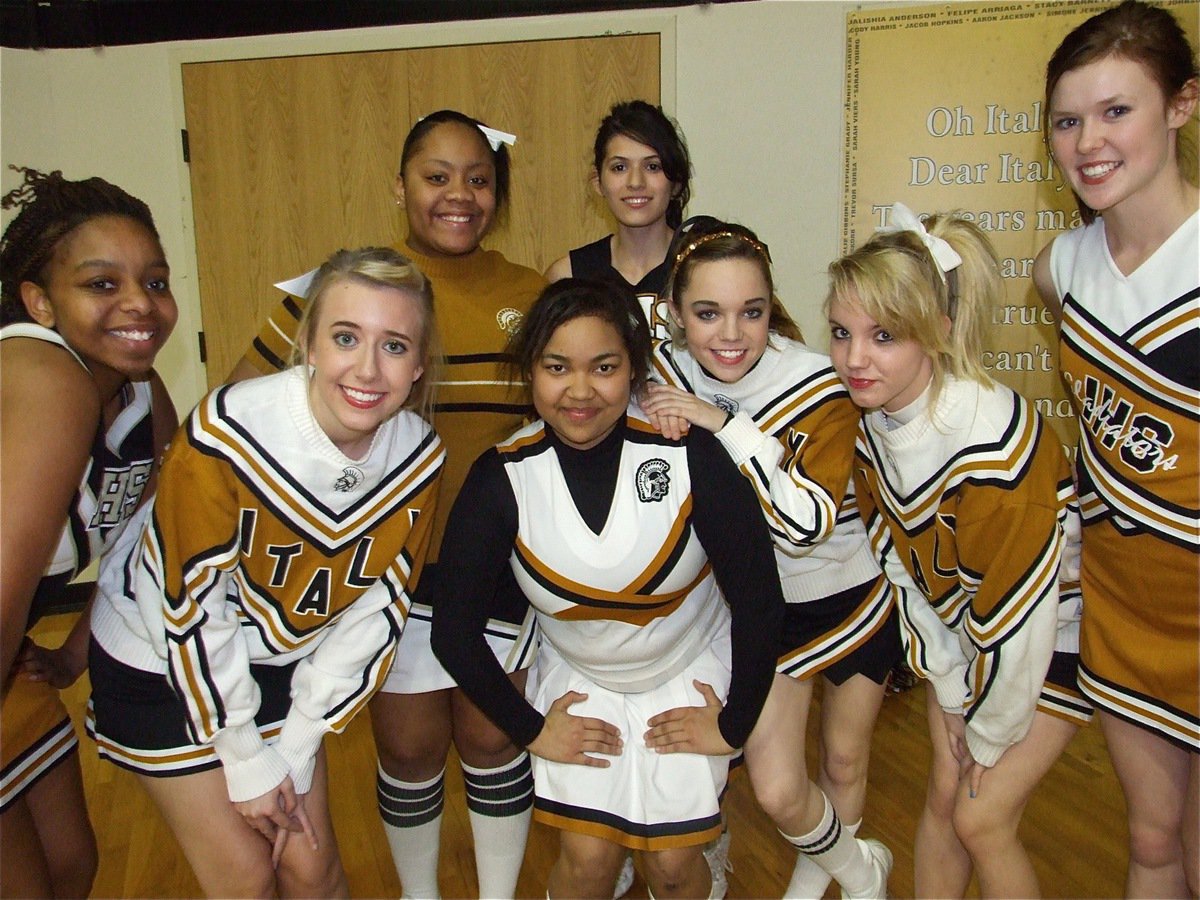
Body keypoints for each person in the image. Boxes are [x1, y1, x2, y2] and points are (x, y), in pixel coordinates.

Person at [230, 109, 545, 899]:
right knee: (407, 747)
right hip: (384, 568)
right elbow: (242, 407)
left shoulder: (531, 293)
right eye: (436, 177)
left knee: (491, 735)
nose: (458, 195)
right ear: (399, 186)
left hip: (501, 564)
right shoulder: (354, 290)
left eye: (477, 178)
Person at [86, 246, 445, 897]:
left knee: (313, 868)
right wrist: (246, 758)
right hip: (157, 658)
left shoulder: (419, 458)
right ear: (308, 342)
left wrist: (300, 742)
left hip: (277, 661)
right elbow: (190, 608)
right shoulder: (224, 434)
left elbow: (375, 615)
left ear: (419, 365)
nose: (366, 368)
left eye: (394, 346)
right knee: (248, 877)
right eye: (345, 337)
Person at [431, 278, 785, 900]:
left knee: (674, 870)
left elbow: (759, 602)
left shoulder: (690, 455)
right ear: (530, 371)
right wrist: (532, 728)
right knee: (589, 861)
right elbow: (453, 632)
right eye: (556, 367)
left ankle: (705, 853)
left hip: (687, 668)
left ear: (635, 371)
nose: (580, 391)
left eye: (604, 367)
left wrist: (734, 726)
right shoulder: (502, 477)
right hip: (581, 675)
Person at [828, 204, 1092, 898]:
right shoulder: (873, 428)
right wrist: (948, 688)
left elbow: (1023, 614)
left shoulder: (991, 444)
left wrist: (988, 731)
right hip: (977, 642)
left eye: (884, 335)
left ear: (937, 330)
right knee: (945, 793)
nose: (855, 358)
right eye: (841, 333)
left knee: (981, 816)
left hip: (1063, 639)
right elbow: (904, 571)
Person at [640, 216, 898, 900]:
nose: (730, 334)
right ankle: (863, 867)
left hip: (846, 599)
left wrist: (724, 425)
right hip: (760, 611)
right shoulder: (666, 366)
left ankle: (832, 885)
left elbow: (806, 524)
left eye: (750, 312)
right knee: (781, 788)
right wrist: (654, 406)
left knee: (843, 762)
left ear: (770, 309)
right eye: (707, 313)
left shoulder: (818, 382)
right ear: (673, 314)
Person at [1032, 2, 1199, 894]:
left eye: (1116, 111)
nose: (1087, 141)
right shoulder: (1062, 268)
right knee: (1153, 842)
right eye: (1068, 119)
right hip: (1124, 604)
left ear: (1182, 105)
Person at [0, 166, 178, 898]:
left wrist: (75, 652)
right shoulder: (47, 378)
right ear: (40, 301)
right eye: (102, 284)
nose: (140, 304)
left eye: (156, 281)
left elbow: (153, 538)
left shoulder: (136, 389)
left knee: (71, 864)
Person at [545, 100, 692, 341]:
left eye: (653, 166)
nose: (635, 182)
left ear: (675, 183)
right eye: (620, 167)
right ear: (598, 182)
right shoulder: (569, 276)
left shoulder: (708, 263)